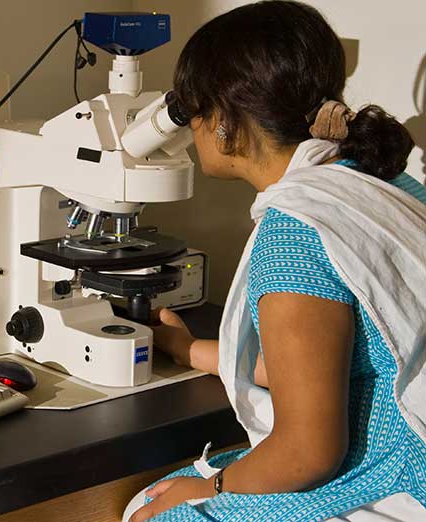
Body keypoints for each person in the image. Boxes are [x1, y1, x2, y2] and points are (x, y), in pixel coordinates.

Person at [123, 2, 426, 521]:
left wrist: (213, 487)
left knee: (149, 510)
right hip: (405, 449)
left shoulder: (294, 233)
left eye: (191, 109)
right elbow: (315, 362)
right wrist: (190, 349)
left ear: (221, 122)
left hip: (394, 477)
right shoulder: (384, 183)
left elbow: (307, 452)